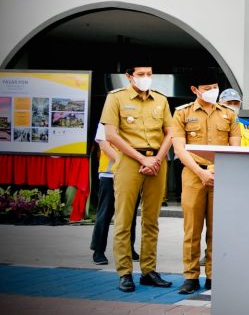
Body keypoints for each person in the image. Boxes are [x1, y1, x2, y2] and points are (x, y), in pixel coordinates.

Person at [101, 61, 174, 292]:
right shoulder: (116, 97)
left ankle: (148, 270)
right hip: (130, 162)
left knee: (151, 220)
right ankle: (124, 273)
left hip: (157, 161)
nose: (145, 77)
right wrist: (143, 160)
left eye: (149, 74)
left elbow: (170, 132)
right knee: (124, 218)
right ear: (129, 76)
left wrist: (157, 159)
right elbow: (111, 135)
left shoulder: (161, 99)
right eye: (140, 74)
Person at [172, 75, 241, 294]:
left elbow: (235, 146)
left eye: (215, 87)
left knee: (217, 228)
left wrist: (215, 170)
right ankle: (190, 276)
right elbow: (179, 149)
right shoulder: (182, 113)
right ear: (195, 89)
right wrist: (201, 172)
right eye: (207, 88)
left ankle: (213, 275)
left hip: (222, 173)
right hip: (193, 174)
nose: (212, 91)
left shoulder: (228, 113)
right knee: (192, 229)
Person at [89, 123, 139, 265]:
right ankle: (98, 250)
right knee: (105, 213)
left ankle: (129, 248)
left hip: (131, 175)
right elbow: (104, 146)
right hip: (110, 174)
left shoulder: (135, 118)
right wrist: (124, 163)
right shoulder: (106, 121)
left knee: (130, 214)